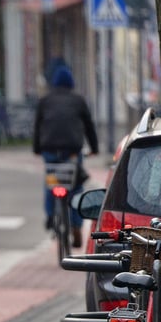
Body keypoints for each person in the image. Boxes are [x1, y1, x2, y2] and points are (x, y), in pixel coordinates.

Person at [32, 64, 98, 247]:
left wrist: (37, 149)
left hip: (50, 151)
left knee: (51, 182)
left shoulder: (45, 101)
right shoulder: (78, 101)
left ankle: (51, 215)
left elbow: (38, 127)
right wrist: (94, 148)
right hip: (72, 152)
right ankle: (76, 224)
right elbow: (89, 126)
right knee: (76, 187)